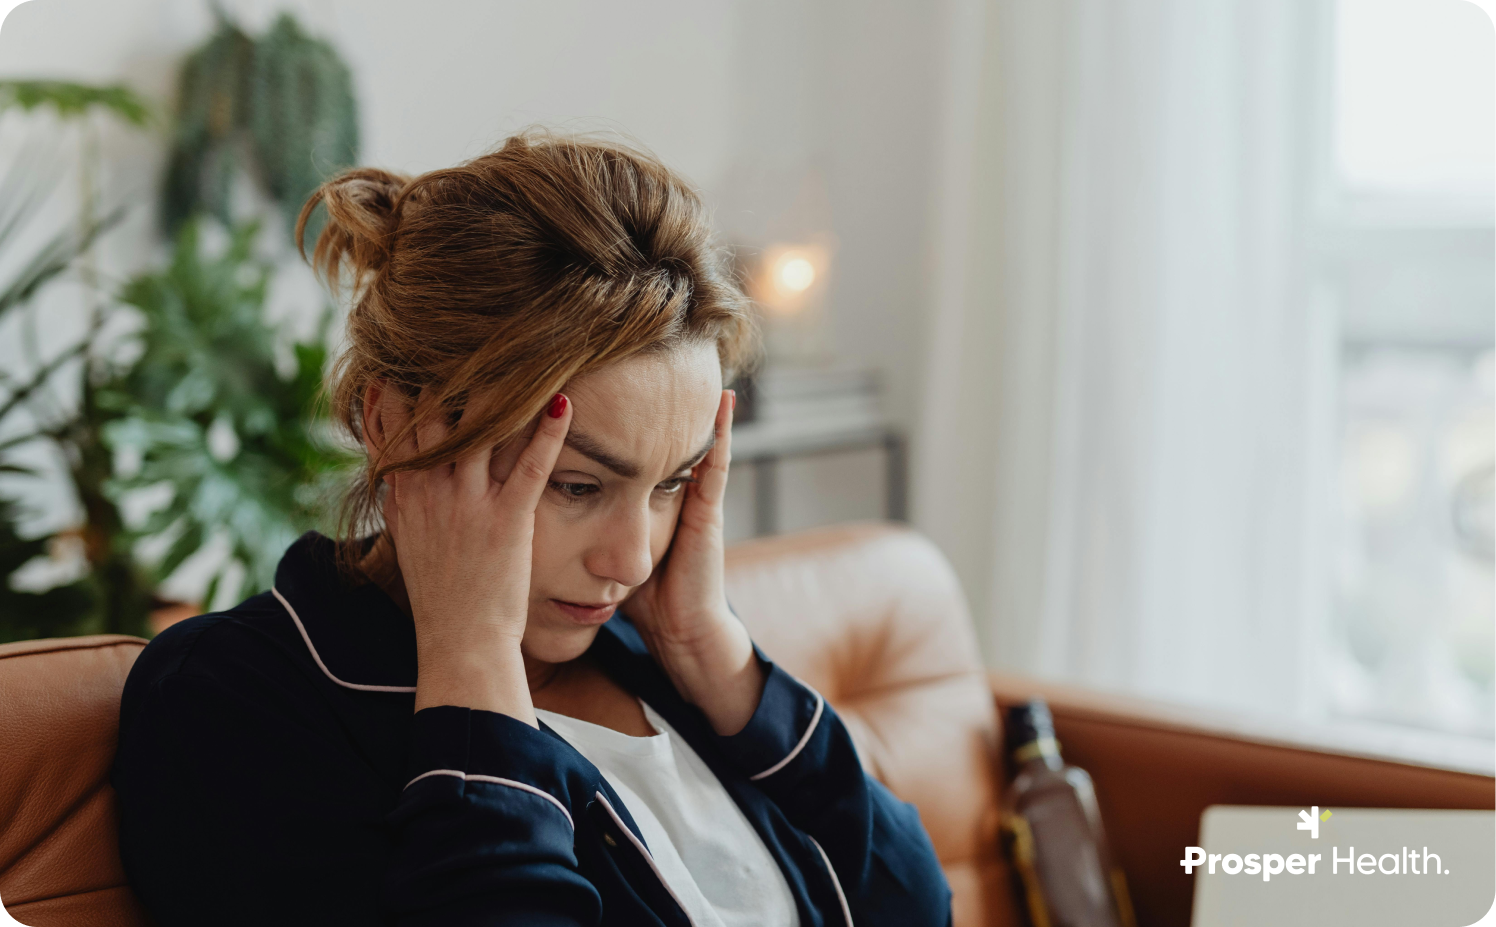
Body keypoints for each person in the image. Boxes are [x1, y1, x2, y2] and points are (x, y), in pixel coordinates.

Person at [111, 131, 951, 927]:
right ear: (394, 425)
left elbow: (916, 905)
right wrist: (470, 653)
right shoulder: (231, 699)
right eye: (578, 483)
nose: (629, 560)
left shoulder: (653, 662)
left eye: (672, 483)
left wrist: (713, 652)